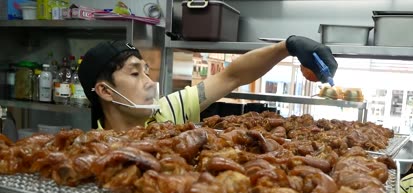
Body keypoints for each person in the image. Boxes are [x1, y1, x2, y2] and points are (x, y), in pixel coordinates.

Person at [78, 36, 337, 130]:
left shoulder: (169, 110)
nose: (148, 82)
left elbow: (232, 75)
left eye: (147, 71)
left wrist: (287, 46)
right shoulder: (93, 149)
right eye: (135, 74)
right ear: (104, 91)